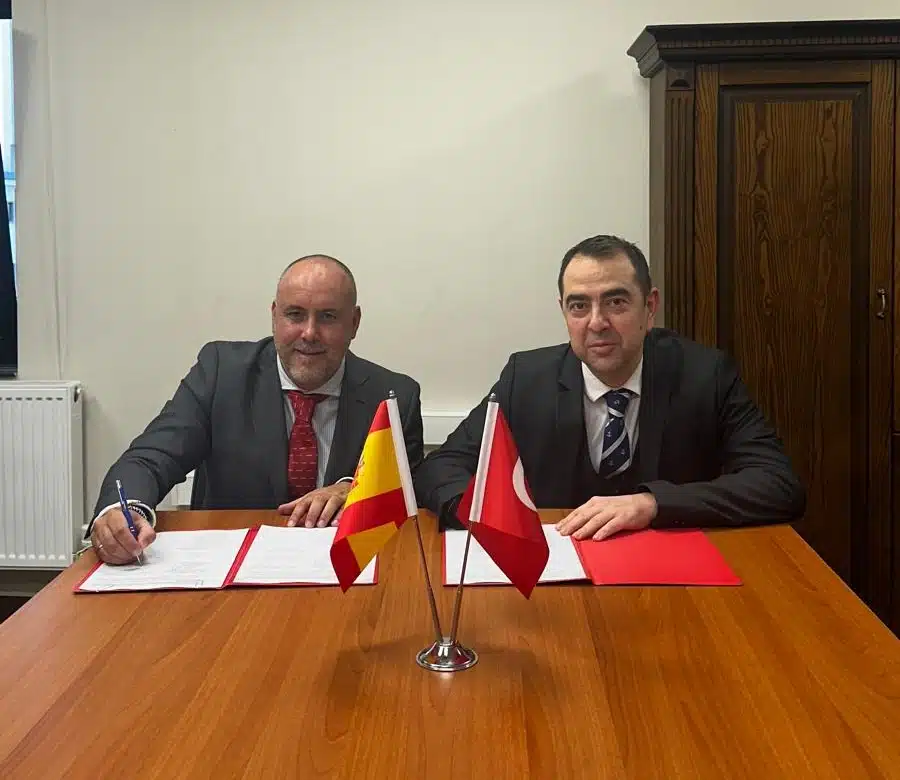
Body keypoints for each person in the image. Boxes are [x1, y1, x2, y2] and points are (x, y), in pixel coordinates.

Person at [414, 234, 805, 540]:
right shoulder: (526, 378)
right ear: (564, 312)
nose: (596, 322)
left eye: (616, 302)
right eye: (579, 306)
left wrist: (654, 503)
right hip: (556, 574)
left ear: (650, 308)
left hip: (667, 576)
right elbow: (441, 468)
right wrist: (492, 512)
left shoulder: (704, 374)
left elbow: (777, 485)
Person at [89, 255, 424, 564]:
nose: (309, 333)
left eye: (328, 317)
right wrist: (127, 509)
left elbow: (407, 499)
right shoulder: (221, 373)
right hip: (230, 570)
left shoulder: (394, 397)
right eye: (295, 315)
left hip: (342, 573)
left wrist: (354, 488)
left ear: (354, 323)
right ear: (274, 315)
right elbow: (151, 457)